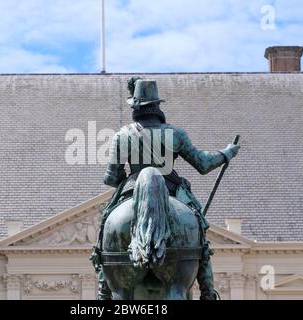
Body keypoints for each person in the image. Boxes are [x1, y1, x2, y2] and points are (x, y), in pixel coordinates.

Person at [91, 78, 240, 300]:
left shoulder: (122, 136)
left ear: (136, 107)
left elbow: (111, 178)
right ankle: (207, 290)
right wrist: (227, 152)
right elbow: (203, 163)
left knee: (106, 225)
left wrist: (129, 177)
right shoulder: (174, 134)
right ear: (157, 106)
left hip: (131, 189)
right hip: (171, 190)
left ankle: (104, 291)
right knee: (198, 226)